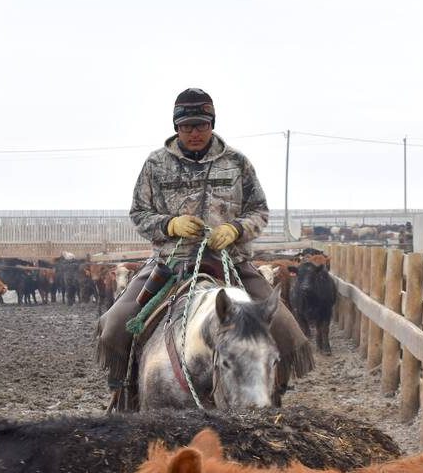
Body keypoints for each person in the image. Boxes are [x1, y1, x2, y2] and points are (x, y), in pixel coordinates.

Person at [96, 87, 313, 409]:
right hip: (172, 262)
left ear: (212, 124)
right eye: (187, 127)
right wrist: (169, 224)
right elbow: (139, 213)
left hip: (232, 261)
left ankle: (270, 396)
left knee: (286, 329)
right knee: (114, 326)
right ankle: (127, 394)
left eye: (201, 126)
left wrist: (235, 229)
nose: (194, 133)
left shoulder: (237, 163)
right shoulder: (156, 164)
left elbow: (260, 211)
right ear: (176, 128)